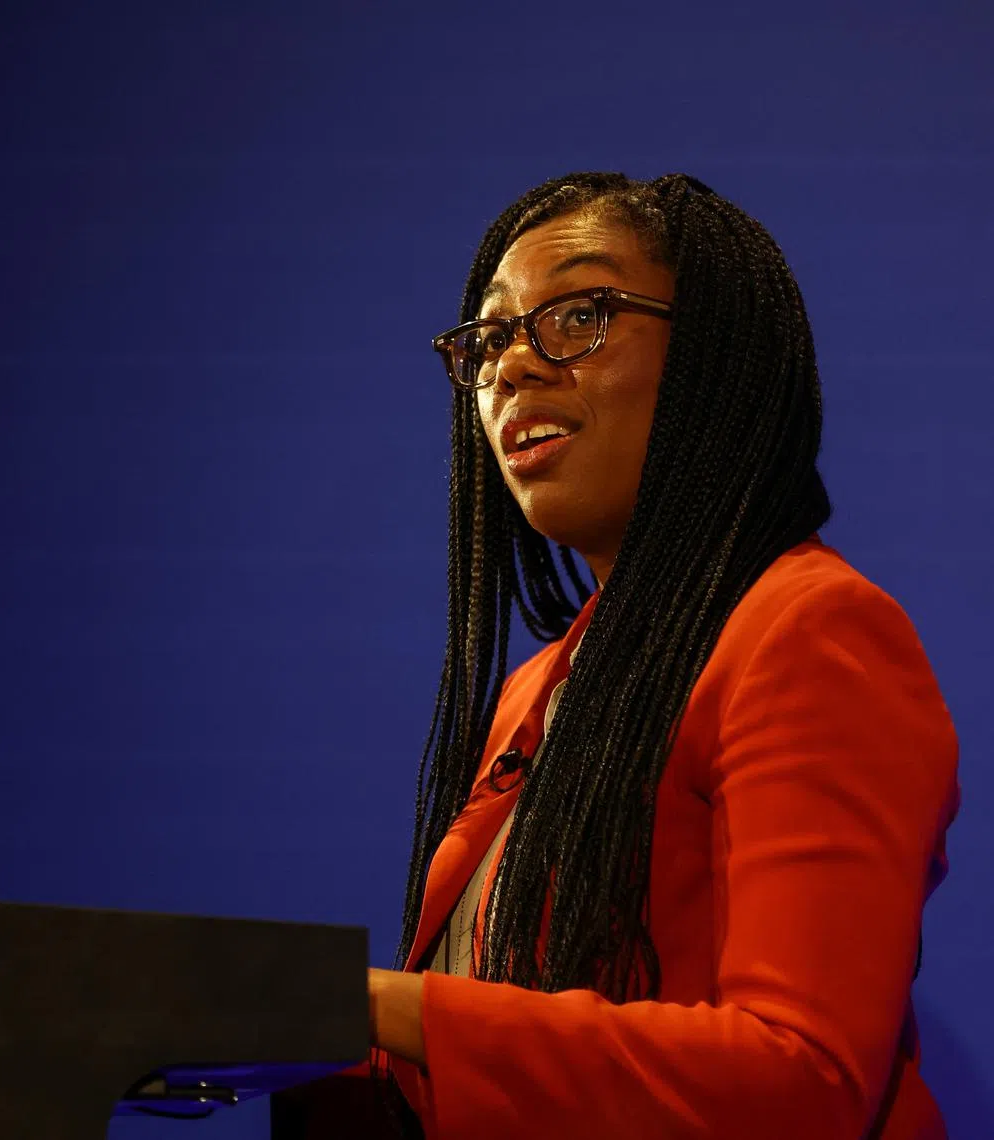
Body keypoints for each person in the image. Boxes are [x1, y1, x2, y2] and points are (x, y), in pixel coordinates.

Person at [364, 172, 960, 1139]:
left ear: (712, 362)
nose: (512, 368)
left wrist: (385, 1008)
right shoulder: (538, 690)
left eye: (580, 313)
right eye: (489, 339)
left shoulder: (811, 632)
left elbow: (800, 1078)